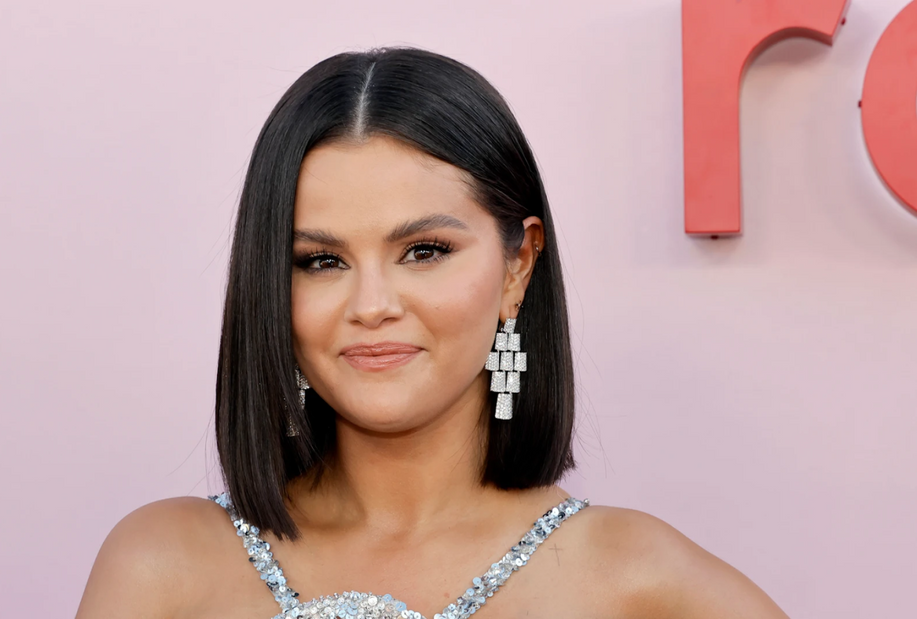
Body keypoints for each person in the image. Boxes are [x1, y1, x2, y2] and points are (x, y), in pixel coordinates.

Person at [75, 46, 787, 619]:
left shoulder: (636, 583)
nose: (372, 303)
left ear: (518, 265)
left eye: (424, 251)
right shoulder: (160, 567)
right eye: (321, 261)